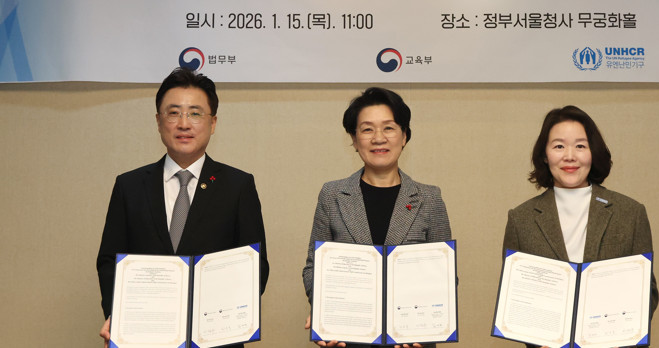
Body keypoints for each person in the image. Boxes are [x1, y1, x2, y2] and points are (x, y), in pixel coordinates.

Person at [96, 68, 269, 348]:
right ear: (158, 121)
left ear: (213, 123)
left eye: (195, 113)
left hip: (215, 340)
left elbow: (255, 266)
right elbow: (109, 261)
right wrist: (118, 315)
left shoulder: (238, 186)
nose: (184, 124)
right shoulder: (129, 185)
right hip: (145, 337)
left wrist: (226, 319)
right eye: (174, 113)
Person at [302, 87, 452, 348]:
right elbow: (313, 269)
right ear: (354, 138)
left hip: (410, 339)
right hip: (348, 338)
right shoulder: (332, 194)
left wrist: (426, 331)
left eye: (389, 128)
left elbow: (445, 276)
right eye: (367, 129)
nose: (378, 138)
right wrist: (324, 313)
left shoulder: (429, 198)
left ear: (404, 136)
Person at [502, 105, 659, 348]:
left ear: (593, 152)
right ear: (544, 155)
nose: (570, 156)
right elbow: (515, 300)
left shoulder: (630, 213)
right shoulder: (521, 219)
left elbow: (648, 292)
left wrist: (615, 337)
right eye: (559, 146)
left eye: (580, 146)